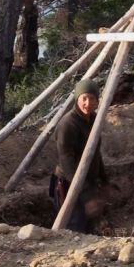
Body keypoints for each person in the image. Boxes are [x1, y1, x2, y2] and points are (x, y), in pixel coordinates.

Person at [50, 79, 108, 233]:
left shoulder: (94, 119)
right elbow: (66, 161)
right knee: (73, 227)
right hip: (68, 182)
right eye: (84, 98)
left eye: (92, 98)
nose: (87, 103)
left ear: (97, 101)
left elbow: (94, 152)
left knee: (90, 226)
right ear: (77, 99)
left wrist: (104, 179)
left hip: (87, 180)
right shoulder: (68, 124)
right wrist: (86, 193)